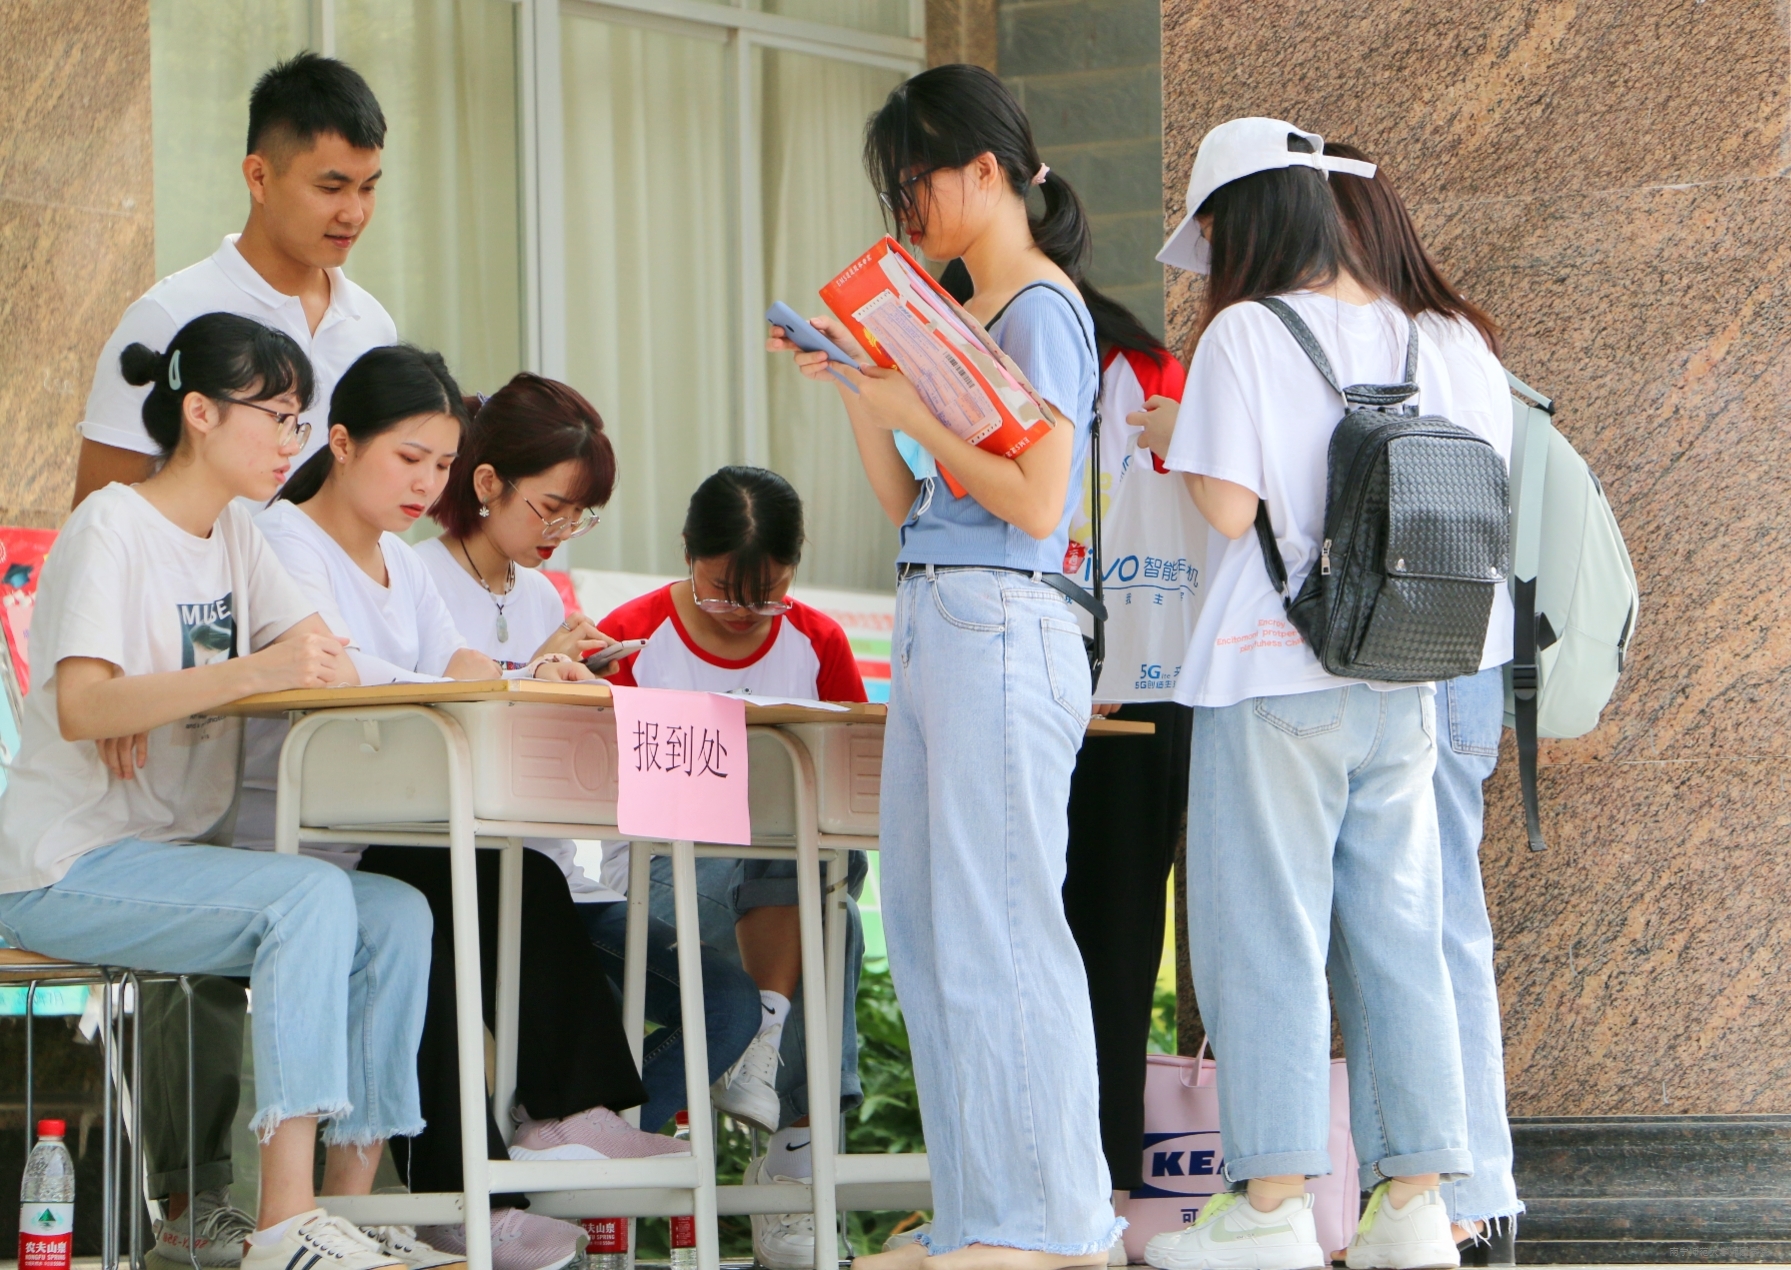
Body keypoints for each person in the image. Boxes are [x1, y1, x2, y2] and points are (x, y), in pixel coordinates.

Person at [0, 313, 438, 1270]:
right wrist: (236, 674)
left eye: (297, 419)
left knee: (395, 915)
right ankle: (283, 1227)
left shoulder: (239, 533)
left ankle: (342, 1215)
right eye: (275, 417)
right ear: (198, 411)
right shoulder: (113, 522)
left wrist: (179, 692)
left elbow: (322, 654)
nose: (290, 442)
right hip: (63, 861)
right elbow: (83, 704)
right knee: (309, 896)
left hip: (169, 859)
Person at [773, 63, 1119, 1270]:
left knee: (1000, 923)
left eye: (913, 175)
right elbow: (904, 498)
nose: (904, 200)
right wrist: (868, 391)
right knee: (927, 929)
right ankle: (987, 1216)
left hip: (1004, 618)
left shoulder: (1040, 310)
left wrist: (911, 404)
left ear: (987, 170)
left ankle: (1053, 1225)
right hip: (947, 617)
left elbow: (1034, 502)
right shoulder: (982, 315)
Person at [235, 345, 684, 1270]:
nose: (425, 484)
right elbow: (337, 669)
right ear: (342, 442)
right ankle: (487, 1169)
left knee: (508, 875)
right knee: (469, 882)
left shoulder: (400, 563)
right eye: (409, 460)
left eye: (439, 465)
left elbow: (464, 669)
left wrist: (521, 674)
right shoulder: (282, 541)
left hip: (385, 826)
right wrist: (466, 680)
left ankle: (559, 1123)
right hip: (307, 837)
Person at [1130, 118, 1489, 1270]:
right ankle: (1414, 1206)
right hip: (1407, 669)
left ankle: (1273, 1205)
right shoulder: (1449, 336)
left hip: (1270, 666)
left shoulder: (1247, 332)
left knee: (1261, 934)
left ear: (1251, 218)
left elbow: (1231, 513)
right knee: (1399, 935)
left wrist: (1186, 441)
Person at [73, 54, 398, 1265]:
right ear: (259, 174)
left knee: (335, 907)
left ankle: (313, 1208)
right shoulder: (171, 316)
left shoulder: (367, 324)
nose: (350, 211)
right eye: (327, 183)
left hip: (288, 657)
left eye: (368, 185)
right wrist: (117, 682)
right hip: (185, 676)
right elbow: (108, 504)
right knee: (222, 911)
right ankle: (209, 1198)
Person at [415, 374, 761, 1138]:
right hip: (481, 874)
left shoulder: (539, 593)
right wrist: (534, 672)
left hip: (558, 879)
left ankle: (593, 1142)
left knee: (730, 1003)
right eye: (550, 508)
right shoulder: (419, 578)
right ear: (485, 484)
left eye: (581, 516)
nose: (561, 530)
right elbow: (427, 733)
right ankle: (575, 1139)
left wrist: (580, 688)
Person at [941, 262, 1201, 1241]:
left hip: (1119, 675)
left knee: (1099, 933)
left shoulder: (1136, 371)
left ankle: (1102, 1191)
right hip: (1084, 666)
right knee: (1067, 933)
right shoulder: (1099, 364)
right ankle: (1067, 1193)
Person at [1323, 140, 1521, 1266]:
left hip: (1417, 660)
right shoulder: (1464, 341)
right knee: (1441, 916)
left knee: (1425, 917)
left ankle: (1462, 1196)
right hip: (1468, 655)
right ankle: (1458, 1193)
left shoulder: (1394, 343)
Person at [594, 466, 869, 1270]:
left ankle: (765, 1054)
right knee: (817, 896)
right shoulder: (633, 638)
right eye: (722, 592)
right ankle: (795, 1161)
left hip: (785, 878)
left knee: (822, 889)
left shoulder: (816, 641)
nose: (746, 615)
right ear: (687, 554)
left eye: (769, 594)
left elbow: (850, 782)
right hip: (657, 883)